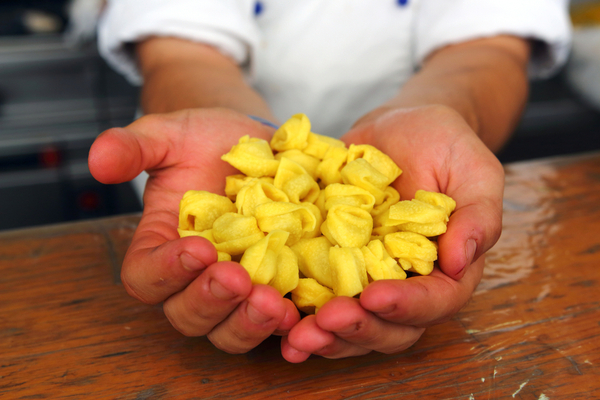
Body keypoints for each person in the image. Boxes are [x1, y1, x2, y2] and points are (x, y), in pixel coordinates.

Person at [88, 1, 572, 363]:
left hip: (406, 158)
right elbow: (179, 50)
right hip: (215, 168)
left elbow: (490, 48)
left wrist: (446, 116)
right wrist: (247, 132)